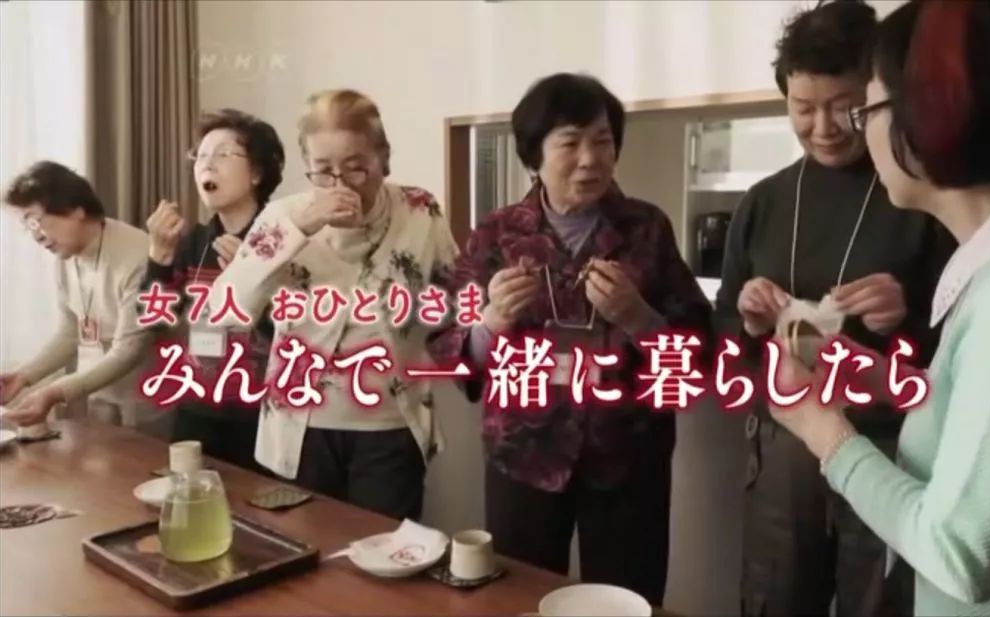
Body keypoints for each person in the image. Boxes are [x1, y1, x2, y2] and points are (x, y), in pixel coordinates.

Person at [770, 1, 990, 615]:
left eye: (863, 110)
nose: (852, 131)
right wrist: (881, 377)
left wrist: (822, 430)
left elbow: (962, 554)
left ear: (934, 112)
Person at [428, 73, 713, 606]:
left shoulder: (647, 228)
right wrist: (490, 324)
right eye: (570, 143)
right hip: (523, 455)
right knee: (518, 598)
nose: (590, 159)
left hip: (629, 457)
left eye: (603, 141)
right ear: (533, 155)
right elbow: (447, 346)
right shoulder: (496, 234)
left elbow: (698, 349)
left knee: (627, 600)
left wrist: (638, 317)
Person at [712, 2, 956, 615]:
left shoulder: (921, 195)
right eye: (803, 108)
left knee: (878, 605)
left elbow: (965, 355)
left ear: (877, 96)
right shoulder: (764, 202)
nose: (822, 127)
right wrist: (747, 321)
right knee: (773, 599)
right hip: (784, 444)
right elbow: (724, 344)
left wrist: (906, 316)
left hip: (890, 448)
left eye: (842, 106)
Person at [207, 89, 458, 520]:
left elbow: (455, 295)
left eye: (357, 168)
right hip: (301, 428)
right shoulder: (283, 217)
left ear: (384, 160)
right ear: (307, 166)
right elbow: (223, 313)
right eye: (324, 172)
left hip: (389, 425)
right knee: (307, 550)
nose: (341, 185)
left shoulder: (420, 210)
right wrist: (296, 231)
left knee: (385, 551)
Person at [141, 108, 285, 472]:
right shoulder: (194, 241)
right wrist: (158, 258)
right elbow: (153, 322)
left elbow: (298, 333)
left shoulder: (283, 240)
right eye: (201, 155)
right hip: (197, 407)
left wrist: (252, 278)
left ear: (256, 173)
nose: (207, 164)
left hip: (261, 415)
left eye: (222, 154)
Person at [0, 161, 171, 437]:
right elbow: (71, 331)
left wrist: (55, 392)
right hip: (98, 397)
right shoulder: (65, 255)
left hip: (146, 399)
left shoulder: (138, 256)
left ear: (75, 210)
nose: (35, 236)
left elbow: (129, 350)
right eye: (27, 226)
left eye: (35, 221)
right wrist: (24, 376)